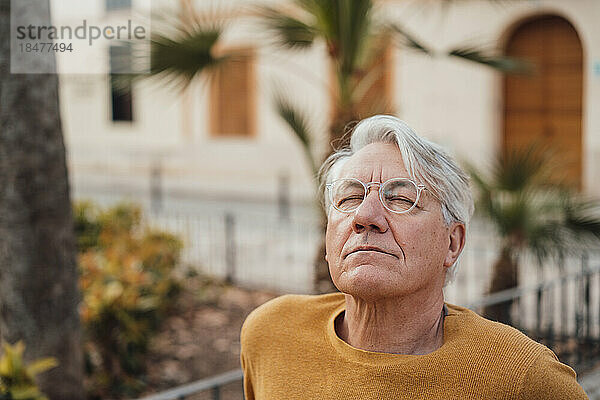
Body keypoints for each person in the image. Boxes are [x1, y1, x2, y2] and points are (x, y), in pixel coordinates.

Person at [240, 115, 588, 399]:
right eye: (348, 198)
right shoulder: (270, 333)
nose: (365, 216)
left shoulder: (521, 378)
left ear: (453, 244)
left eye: (402, 199)